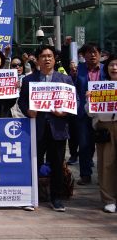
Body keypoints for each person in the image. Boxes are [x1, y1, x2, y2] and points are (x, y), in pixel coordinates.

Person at [18, 45, 75, 212]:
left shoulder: (65, 80)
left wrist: (64, 112)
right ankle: (31, 197)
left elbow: (75, 101)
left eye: (50, 56)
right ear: (37, 59)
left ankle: (56, 198)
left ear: (55, 58)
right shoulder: (28, 80)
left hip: (57, 128)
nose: (47, 59)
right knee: (34, 163)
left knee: (57, 164)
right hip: (37, 127)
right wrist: (28, 111)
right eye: (43, 56)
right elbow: (22, 101)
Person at [86, 54, 117, 213]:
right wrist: (89, 101)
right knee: (106, 164)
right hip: (105, 127)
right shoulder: (100, 87)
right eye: (112, 65)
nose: (115, 68)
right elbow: (90, 113)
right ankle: (109, 199)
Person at [75, 43, 104, 185]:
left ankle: (105, 176)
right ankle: (85, 175)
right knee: (85, 145)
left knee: (106, 145)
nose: (92, 55)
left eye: (95, 52)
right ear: (83, 55)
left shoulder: (107, 69)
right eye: (89, 52)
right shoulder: (77, 70)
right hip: (84, 114)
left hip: (104, 113)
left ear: (100, 54)